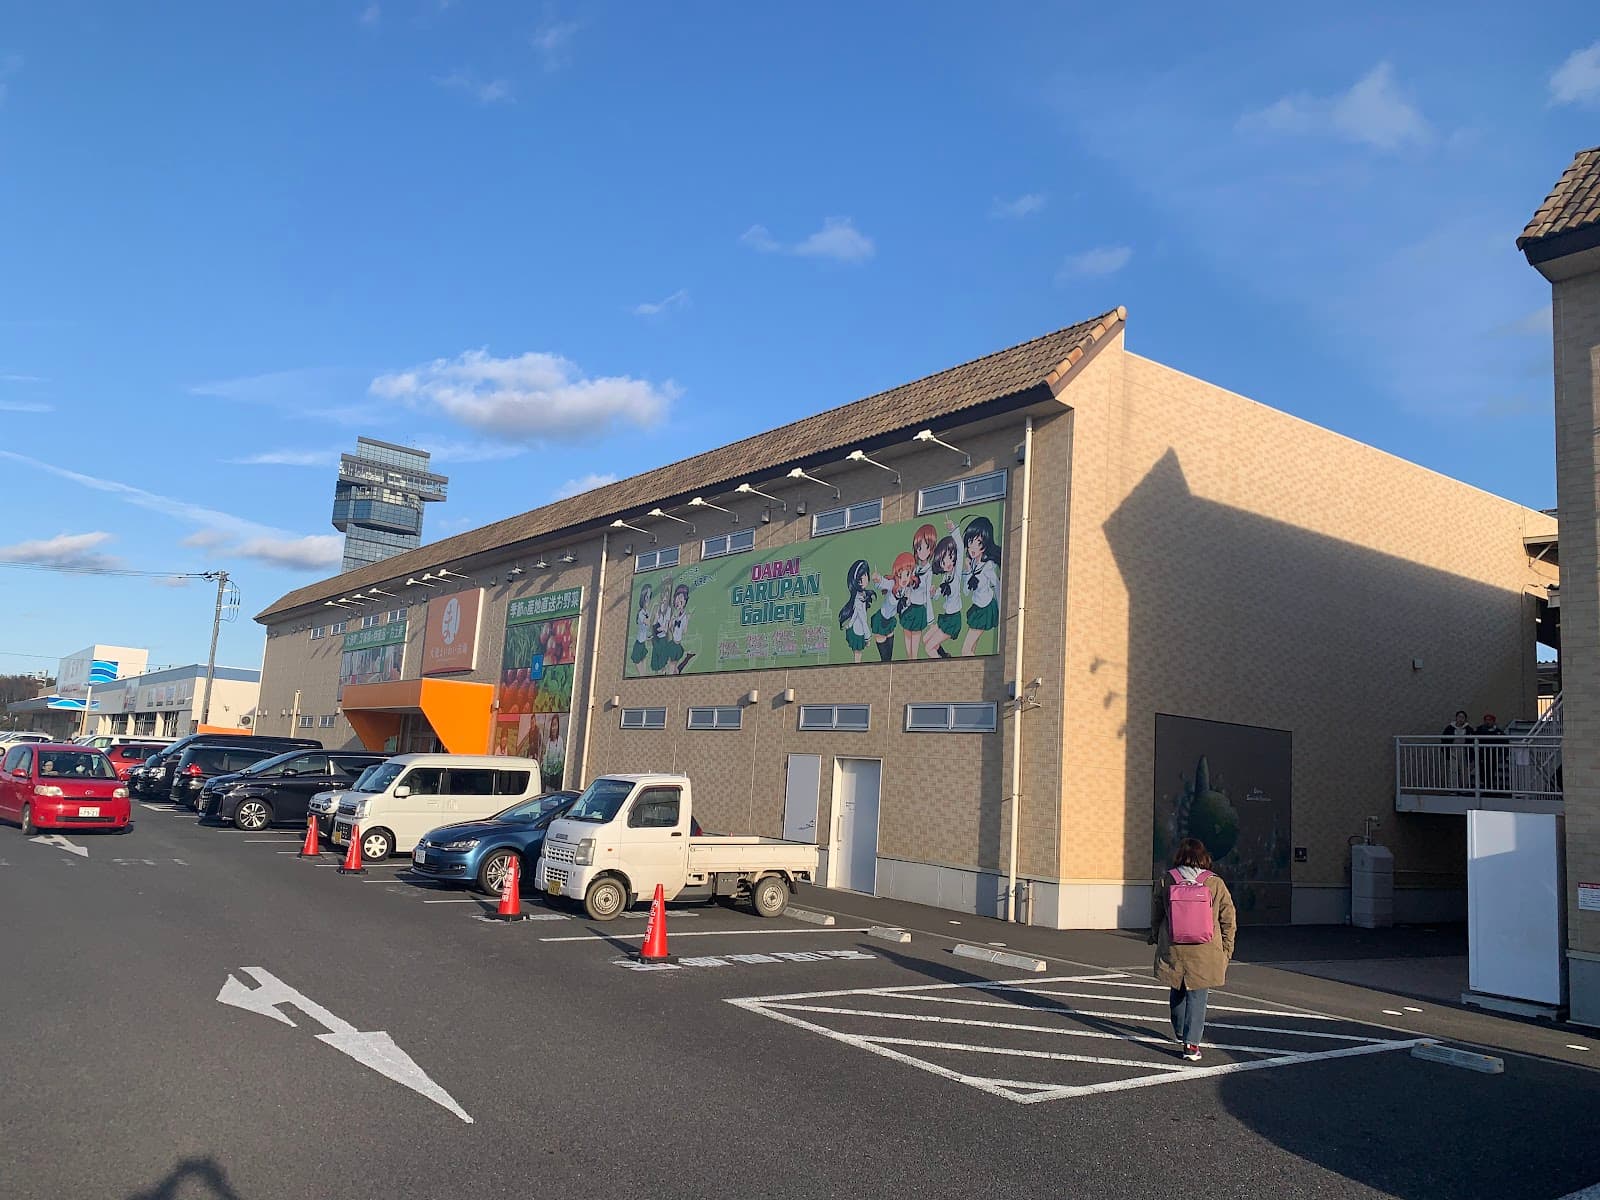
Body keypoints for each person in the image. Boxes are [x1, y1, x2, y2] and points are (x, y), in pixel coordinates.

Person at [1149, 838, 1237, 1062]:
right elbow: (1228, 918)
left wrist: (1153, 936)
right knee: (1198, 996)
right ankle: (1191, 1045)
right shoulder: (1215, 883)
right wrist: (1227, 948)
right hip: (1206, 948)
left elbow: (1156, 912)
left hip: (1175, 945)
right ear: (1203, 857)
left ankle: (1180, 1032)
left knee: (1177, 988)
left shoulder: (1167, 879)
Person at [1441, 709, 1473, 789]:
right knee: (1453, 770)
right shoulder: (1449, 728)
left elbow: (1472, 740)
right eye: (1459, 717)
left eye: (1462, 717)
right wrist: (1445, 751)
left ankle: (1465, 787)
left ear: (1465, 719)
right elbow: (1444, 739)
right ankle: (1452, 787)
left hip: (1464, 751)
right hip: (1453, 750)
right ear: (1456, 718)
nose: (1460, 719)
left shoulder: (1468, 729)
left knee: (1464, 770)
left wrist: (1471, 753)